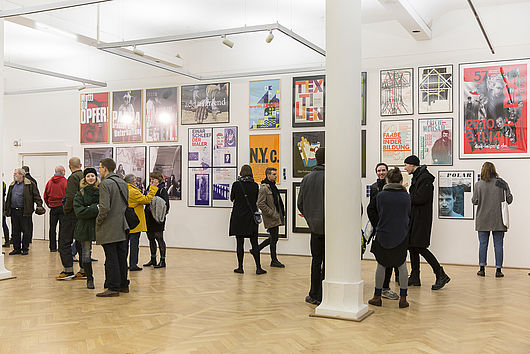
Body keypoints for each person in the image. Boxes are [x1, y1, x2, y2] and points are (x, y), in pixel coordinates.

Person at [404, 155, 450, 290]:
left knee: (420, 247)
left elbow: (420, 198)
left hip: (421, 219)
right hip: (415, 217)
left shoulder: (425, 178)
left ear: (413, 165)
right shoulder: (418, 177)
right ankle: (415, 277)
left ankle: (440, 274)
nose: (405, 167)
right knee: (412, 246)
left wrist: (405, 197)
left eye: (406, 165)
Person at [368, 167, 411, 308]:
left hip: (383, 234)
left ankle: (377, 296)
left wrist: (377, 223)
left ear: (387, 179)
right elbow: (409, 216)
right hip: (401, 235)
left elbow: (372, 210)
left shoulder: (381, 196)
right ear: (401, 181)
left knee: (381, 265)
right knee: (402, 265)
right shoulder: (406, 197)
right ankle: (403, 298)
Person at [472, 162, 513, 277]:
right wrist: (506, 188)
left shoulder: (478, 185)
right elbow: (509, 200)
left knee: (483, 244)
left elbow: (474, 201)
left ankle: (482, 269)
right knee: (498, 245)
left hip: (482, 219)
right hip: (498, 219)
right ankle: (498, 270)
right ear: (494, 170)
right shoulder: (501, 183)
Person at [96, 158, 130, 297]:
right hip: (123, 225)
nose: (99, 170)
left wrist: (98, 221)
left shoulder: (105, 184)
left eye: (100, 168)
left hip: (109, 226)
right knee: (121, 256)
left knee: (111, 258)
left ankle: (113, 287)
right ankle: (123, 285)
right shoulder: (123, 182)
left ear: (105, 168)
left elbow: (104, 207)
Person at [366, 162, 400, 301]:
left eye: (383, 170)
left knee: (393, 258)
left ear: (387, 172)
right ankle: (383, 287)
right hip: (381, 228)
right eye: (379, 170)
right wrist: (377, 224)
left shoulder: (395, 189)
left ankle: (391, 282)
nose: (381, 172)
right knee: (383, 259)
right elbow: (371, 208)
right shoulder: (374, 188)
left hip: (391, 227)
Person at [298, 147, 325, 305]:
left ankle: (314, 294)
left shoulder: (307, 178)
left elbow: (300, 203)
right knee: (328, 263)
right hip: (331, 228)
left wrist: (310, 218)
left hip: (314, 228)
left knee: (316, 261)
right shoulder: (332, 177)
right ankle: (326, 294)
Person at [229, 165, 266, 275]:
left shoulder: (236, 185)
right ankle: (258, 268)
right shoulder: (255, 185)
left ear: (241, 172)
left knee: (240, 243)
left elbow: (232, 198)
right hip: (251, 217)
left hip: (238, 217)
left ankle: (240, 267)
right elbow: (256, 200)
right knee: (254, 243)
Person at [56, 157, 85, 280]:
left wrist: (66, 210)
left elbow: (70, 197)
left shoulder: (73, 178)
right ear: (80, 164)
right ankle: (84, 271)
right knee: (81, 243)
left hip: (72, 215)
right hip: (82, 215)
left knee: (64, 242)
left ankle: (68, 270)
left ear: (69, 166)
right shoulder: (85, 175)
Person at [4, 168, 44, 255]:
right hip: (14, 211)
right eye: (14, 173)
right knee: (15, 231)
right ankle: (16, 248)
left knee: (26, 231)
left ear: (21, 175)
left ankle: (25, 248)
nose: (14, 175)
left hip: (25, 211)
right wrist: (6, 209)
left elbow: (36, 195)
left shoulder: (29, 184)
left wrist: (39, 205)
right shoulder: (12, 185)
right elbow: (8, 198)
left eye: (16, 174)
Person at [124, 174, 158, 271]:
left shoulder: (123, 190)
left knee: (125, 245)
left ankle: (123, 264)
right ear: (133, 182)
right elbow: (146, 200)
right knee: (134, 245)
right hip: (134, 221)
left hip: (125, 221)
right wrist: (153, 188)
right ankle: (133, 264)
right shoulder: (133, 191)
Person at [73, 168, 100, 289]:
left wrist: (88, 208)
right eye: (88, 176)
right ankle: (90, 279)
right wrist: (96, 208)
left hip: (100, 226)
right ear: (85, 178)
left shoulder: (102, 191)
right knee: (86, 254)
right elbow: (79, 212)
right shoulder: (81, 193)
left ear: (96, 178)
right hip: (85, 227)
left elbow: (106, 208)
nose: (90, 178)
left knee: (109, 252)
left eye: (92, 176)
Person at [256, 167, 285, 268]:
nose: (276, 176)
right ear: (268, 175)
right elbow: (260, 204)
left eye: (276, 174)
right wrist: (272, 213)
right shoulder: (264, 188)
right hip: (271, 217)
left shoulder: (273, 186)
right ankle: (273, 260)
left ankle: (257, 249)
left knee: (274, 238)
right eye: (274, 174)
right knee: (274, 238)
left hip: (276, 216)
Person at [143, 171, 170, 268]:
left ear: (158, 180)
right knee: (151, 239)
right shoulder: (149, 189)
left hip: (158, 218)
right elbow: (145, 199)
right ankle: (153, 259)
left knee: (159, 238)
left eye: (153, 179)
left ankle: (163, 261)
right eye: (151, 180)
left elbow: (166, 206)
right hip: (149, 217)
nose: (151, 181)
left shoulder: (163, 190)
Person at [43, 166, 67, 252]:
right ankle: (61, 247)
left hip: (53, 207)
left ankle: (52, 247)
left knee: (52, 228)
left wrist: (49, 204)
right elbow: (68, 195)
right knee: (62, 228)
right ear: (63, 171)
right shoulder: (65, 182)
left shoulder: (49, 182)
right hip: (62, 207)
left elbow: (45, 195)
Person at [21, 166, 38, 242]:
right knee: (29, 223)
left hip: (24, 206)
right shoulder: (34, 180)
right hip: (30, 206)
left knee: (23, 224)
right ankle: (29, 238)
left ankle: (25, 239)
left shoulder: (25, 181)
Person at [2, 181, 9, 247]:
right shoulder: (3, 183)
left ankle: (7, 241)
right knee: (4, 224)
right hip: (3, 205)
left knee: (3, 224)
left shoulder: (3, 183)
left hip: (2, 206)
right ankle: (7, 242)